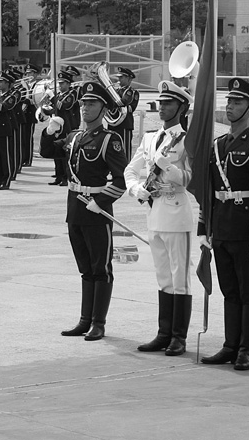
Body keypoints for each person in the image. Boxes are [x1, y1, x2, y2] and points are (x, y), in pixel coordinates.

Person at [40, 81, 127, 341]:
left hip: (96, 210)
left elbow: (121, 180)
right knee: (85, 268)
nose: (85, 108)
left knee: (101, 268)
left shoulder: (110, 139)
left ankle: (98, 323)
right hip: (75, 209)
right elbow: (46, 152)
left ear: (103, 108)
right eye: (84, 103)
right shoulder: (75, 137)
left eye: (92, 104)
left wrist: (100, 203)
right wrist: (49, 130)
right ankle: (84, 320)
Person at [199, 78, 249, 370]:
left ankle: (246, 349)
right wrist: (204, 229)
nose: (230, 107)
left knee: (248, 291)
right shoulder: (217, 145)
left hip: (245, 229)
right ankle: (230, 345)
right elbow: (209, 193)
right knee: (229, 289)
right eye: (229, 101)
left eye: (237, 102)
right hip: (222, 228)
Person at [125, 80, 194, 356]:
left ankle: (179, 336)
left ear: (181, 107)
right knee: (163, 276)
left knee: (181, 278)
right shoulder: (150, 138)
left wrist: (168, 167)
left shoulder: (187, 139)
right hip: (154, 212)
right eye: (161, 102)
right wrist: (135, 189)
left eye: (169, 103)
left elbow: (189, 179)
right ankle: (163, 333)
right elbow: (131, 169)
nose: (163, 107)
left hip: (177, 211)